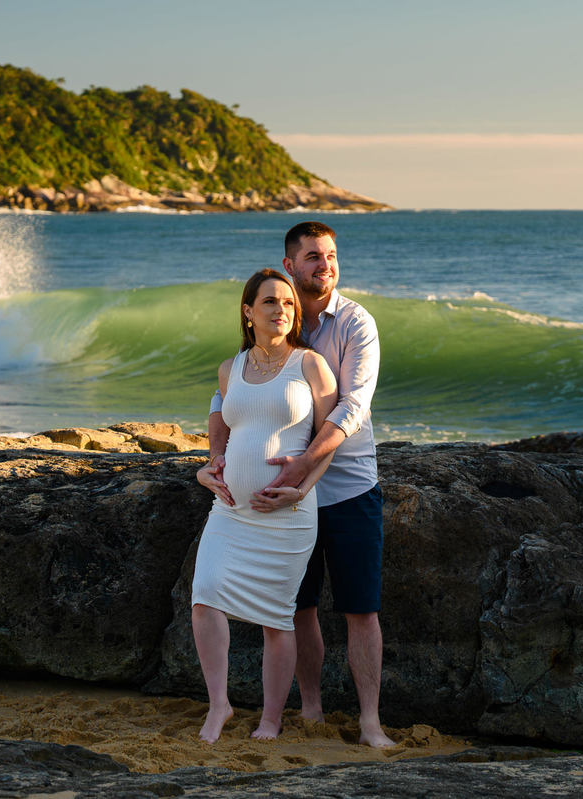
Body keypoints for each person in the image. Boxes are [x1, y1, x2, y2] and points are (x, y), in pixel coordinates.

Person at [198, 221, 395, 747]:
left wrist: (304, 467)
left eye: (330, 255)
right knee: (296, 609)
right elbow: (225, 400)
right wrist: (215, 458)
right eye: (312, 256)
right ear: (290, 265)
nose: (324, 265)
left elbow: (353, 406)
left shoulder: (355, 323)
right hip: (275, 505)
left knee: (361, 609)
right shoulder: (276, 317)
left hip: (348, 487)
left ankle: (370, 722)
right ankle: (309, 710)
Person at [191, 268, 338, 743]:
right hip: (230, 511)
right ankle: (219, 705)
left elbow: (330, 439)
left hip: (287, 515)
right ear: (248, 311)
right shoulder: (230, 368)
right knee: (204, 598)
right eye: (271, 302)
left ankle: (271, 719)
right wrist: (210, 466)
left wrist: (303, 487)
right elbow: (223, 429)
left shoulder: (310, 365)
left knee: (277, 617)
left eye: (289, 303)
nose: (282, 310)